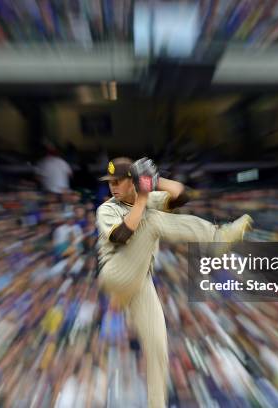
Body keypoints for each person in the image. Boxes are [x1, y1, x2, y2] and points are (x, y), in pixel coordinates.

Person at [95, 157, 253, 408]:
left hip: (139, 282)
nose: (112, 186)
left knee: (158, 347)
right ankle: (217, 237)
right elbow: (121, 235)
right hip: (116, 273)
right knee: (153, 220)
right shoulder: (107, 208)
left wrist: (155, 181)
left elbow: (183, 196)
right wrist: (144, 196)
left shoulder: (143, 198)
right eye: (110, 181)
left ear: (131, 181)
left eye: (118, 180)